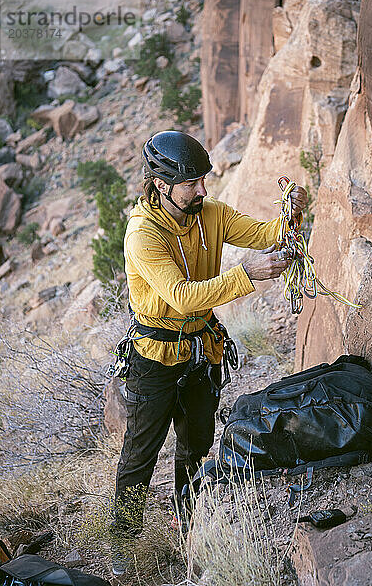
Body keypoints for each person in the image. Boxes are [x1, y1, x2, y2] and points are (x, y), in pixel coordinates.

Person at [110, 130, 307, 575]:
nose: (203, 189)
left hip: (201, 350)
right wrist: (246, 276)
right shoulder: (143, 233)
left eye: (204, 179)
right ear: (162, 185)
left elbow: (264, 234)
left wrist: (290, 215)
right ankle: (123, 544)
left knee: (196, 446)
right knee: (140, 453)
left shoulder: (210, 214)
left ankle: (190, 524)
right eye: (192, 182)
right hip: (154, 358)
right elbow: (180, 295)